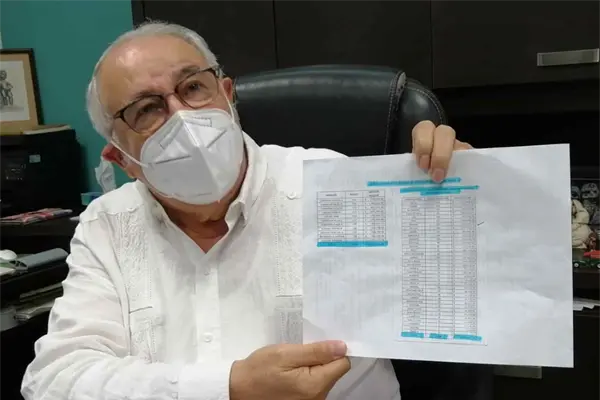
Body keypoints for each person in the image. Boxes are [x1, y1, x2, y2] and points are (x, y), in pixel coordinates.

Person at [21, 22, 473, 400]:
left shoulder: (333, 185)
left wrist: (461, 195)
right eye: (147, 110)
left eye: (193, 87)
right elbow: (53, 380)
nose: (181, 117)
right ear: (121, 159)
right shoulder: (107, 225)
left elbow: (459, 288)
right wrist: (229, 387)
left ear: (227, 95)